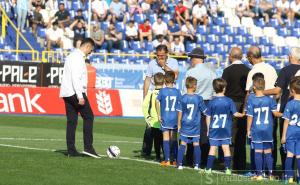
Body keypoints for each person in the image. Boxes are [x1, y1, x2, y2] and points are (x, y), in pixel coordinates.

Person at [59, 38, 100, 158]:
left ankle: (71, 150)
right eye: (90, 50)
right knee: (89, 117)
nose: (90, 53)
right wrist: (80, 95)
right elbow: (76, 78)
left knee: (72, 121)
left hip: (67, 92)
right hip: (75, 92)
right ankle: (88, 147)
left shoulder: (72, 56)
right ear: (87, 47)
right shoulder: (78, 58)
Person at [264, 47, 300, 170]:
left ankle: (286, 171)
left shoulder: (285, 70)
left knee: (285, 141)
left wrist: (261, 92)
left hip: (287, 108)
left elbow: (277, 90)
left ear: (291, 56)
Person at [141, 44, 179, 158]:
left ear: (167, 54)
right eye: (158, 55)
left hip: (167, 96)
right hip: (155, 94)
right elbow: (147, 80)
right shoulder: (152, 63)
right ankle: (146, 150)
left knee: (167, 125)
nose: (160, 58)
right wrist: (145, 96)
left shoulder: (173, 62)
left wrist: (164, 67)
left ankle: (169, 152)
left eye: (162, 55)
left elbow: (176, 76)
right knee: (150, 125)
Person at [245, 46, 278, 168]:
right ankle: (270, 171)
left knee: (257, 144)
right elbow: (277, 91)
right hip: (270, 108)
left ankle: (257, 170)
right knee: (270, 142)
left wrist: (245, 109)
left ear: (251, 57)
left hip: (256, 109)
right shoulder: (272, 69)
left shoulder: (252, 72)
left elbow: (248, 94)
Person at [184, 47, 216, 166]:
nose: (191, 60)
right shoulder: (212, 73)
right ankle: (204, 159)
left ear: (197, 58)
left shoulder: (190, 72)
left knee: (191, 131)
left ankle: (190, 158)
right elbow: (214, 91)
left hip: (193, 102)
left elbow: (185, 91)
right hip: (207, 102)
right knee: (205, 131)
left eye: (192, 57)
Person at [205, 78, 244, 175]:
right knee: (226, 148)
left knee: (212, 148)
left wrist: (208, 129)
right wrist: (243, 114)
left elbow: (208, 116)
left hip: (214, 129)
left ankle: (209, 168)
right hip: (225, 129)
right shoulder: (229, 101)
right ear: (224, 88)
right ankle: (227, 169)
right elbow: (235, 114)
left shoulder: (211, 102)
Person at [246, 77, 282, 180]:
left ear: (254, 87)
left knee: (258, 151)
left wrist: (248, 129)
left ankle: (259, 175)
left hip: (256, 129)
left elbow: (250, 117)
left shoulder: (252, 100)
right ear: (264, 86)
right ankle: (270, 175)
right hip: (268, 129)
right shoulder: (270, 100)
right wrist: (285, 114)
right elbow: (275, 113)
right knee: (268, 152)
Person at [221, 47, 250, 171]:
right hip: (244, 105)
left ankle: (229, 164)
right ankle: (241, 164)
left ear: (230, 56)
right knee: (241, 137)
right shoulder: (248, 70)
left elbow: (223, 89)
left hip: (230, 104)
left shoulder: (227, 71)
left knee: (230, 136)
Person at [177, 76, 207, 170]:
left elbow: (180, 113)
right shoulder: (199, 98)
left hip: (185, 124)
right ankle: (197, 165)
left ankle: (180, 164)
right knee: (196, 144)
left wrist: (178, 124)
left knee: (183, 144)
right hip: (195, 125)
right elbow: (205, 111)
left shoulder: (182, 98)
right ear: (194, 86)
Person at [156, 71, 181, 166]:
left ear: (165, 80)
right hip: (174, 118)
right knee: (174, 139)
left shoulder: (162, 91)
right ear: (174, 80)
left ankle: (167, 160)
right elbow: (181, 104)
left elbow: (157, 101)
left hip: (165, 117)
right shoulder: (178, 92)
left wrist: (158, 115)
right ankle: (175, 159)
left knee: (166, 138)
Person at [281, 76, 300, 184]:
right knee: (299, 155)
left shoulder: (290, 103)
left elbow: (286, 121)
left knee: (289, 154)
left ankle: (289, 178)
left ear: (292, 91)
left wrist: (283, 136)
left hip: (291, 133)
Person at [142, 72, 164, 161]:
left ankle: (158, 156)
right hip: (164, 121)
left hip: (154, 121)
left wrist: (147, 117)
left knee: (157, 140)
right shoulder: (166, 93)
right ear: (164, 82)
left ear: (153, 82)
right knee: (164, 139)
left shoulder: (151, 93)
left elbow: (144, 106)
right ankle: (167, 156)